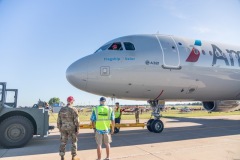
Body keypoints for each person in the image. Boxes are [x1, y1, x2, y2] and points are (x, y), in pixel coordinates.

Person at [57, 96, 80, 160]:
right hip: (72, 128)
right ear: (72, 101)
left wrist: (59, 128)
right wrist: (78, 129)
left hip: (63, 128)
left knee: (63, 142)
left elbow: (58, 120)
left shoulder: (62, 109)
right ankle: (73, 156)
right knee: (74, 142)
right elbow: (77, 121)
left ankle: (62, 156)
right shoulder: (73, 109)